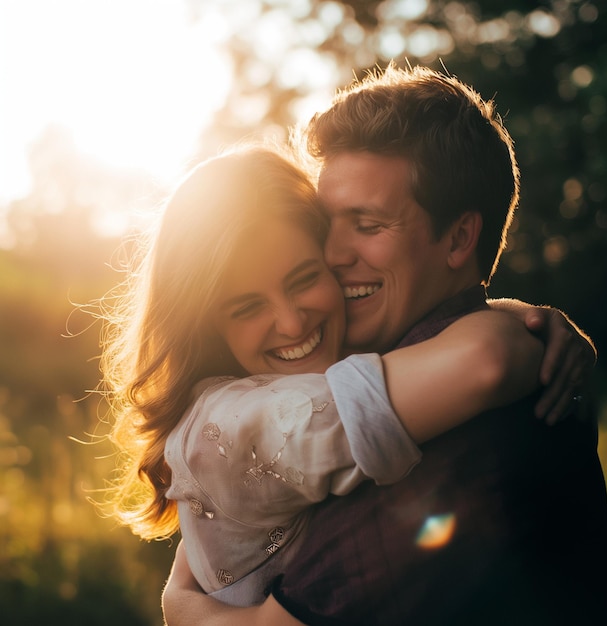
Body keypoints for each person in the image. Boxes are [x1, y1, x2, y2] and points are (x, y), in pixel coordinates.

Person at [162, 64, 607, 625]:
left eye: (367, 225)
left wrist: (186, 611)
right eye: (329, 223)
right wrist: (519, 316)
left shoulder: (446, 438)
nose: (334, 254)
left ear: (459, 238)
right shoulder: (496, 360)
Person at [101, 144, 545, 608]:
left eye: (304, 279)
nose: (292, 323)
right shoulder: (228, 427)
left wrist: (512, 309)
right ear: (208, 327)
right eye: (248, 307)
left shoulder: (311, 375)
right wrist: (523, 323)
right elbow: (488, 361)